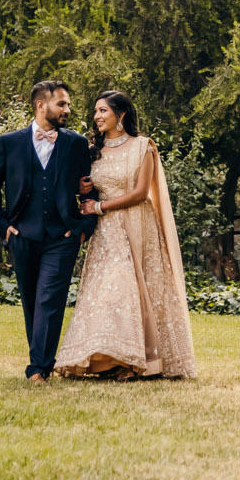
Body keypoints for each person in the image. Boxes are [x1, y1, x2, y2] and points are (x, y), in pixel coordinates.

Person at [54, 90, 197, 379]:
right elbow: (84, 187)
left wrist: (100, 205)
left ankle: (137, 361)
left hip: (137, 225)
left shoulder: (143, 147)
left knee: (138, 291)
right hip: (106, 232)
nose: (96, 117)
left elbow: (140, 192)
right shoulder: (93, 151)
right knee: (109, 291)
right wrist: (84, 190)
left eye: (103, 111)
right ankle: (108, 359)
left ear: (122, 115)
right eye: (95, 111)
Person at [0, 80, 96, 383]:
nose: (67, 110)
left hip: (62, 237)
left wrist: (83, 229)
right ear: (41, 105)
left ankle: (38, 369)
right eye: (62, 104)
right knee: (32, 301)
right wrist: (4, 229)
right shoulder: (10, 143)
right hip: (22, 237)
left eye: (68, 104)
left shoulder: (76, 144)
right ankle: (41, 360)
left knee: (49, 299)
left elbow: (89, 192)